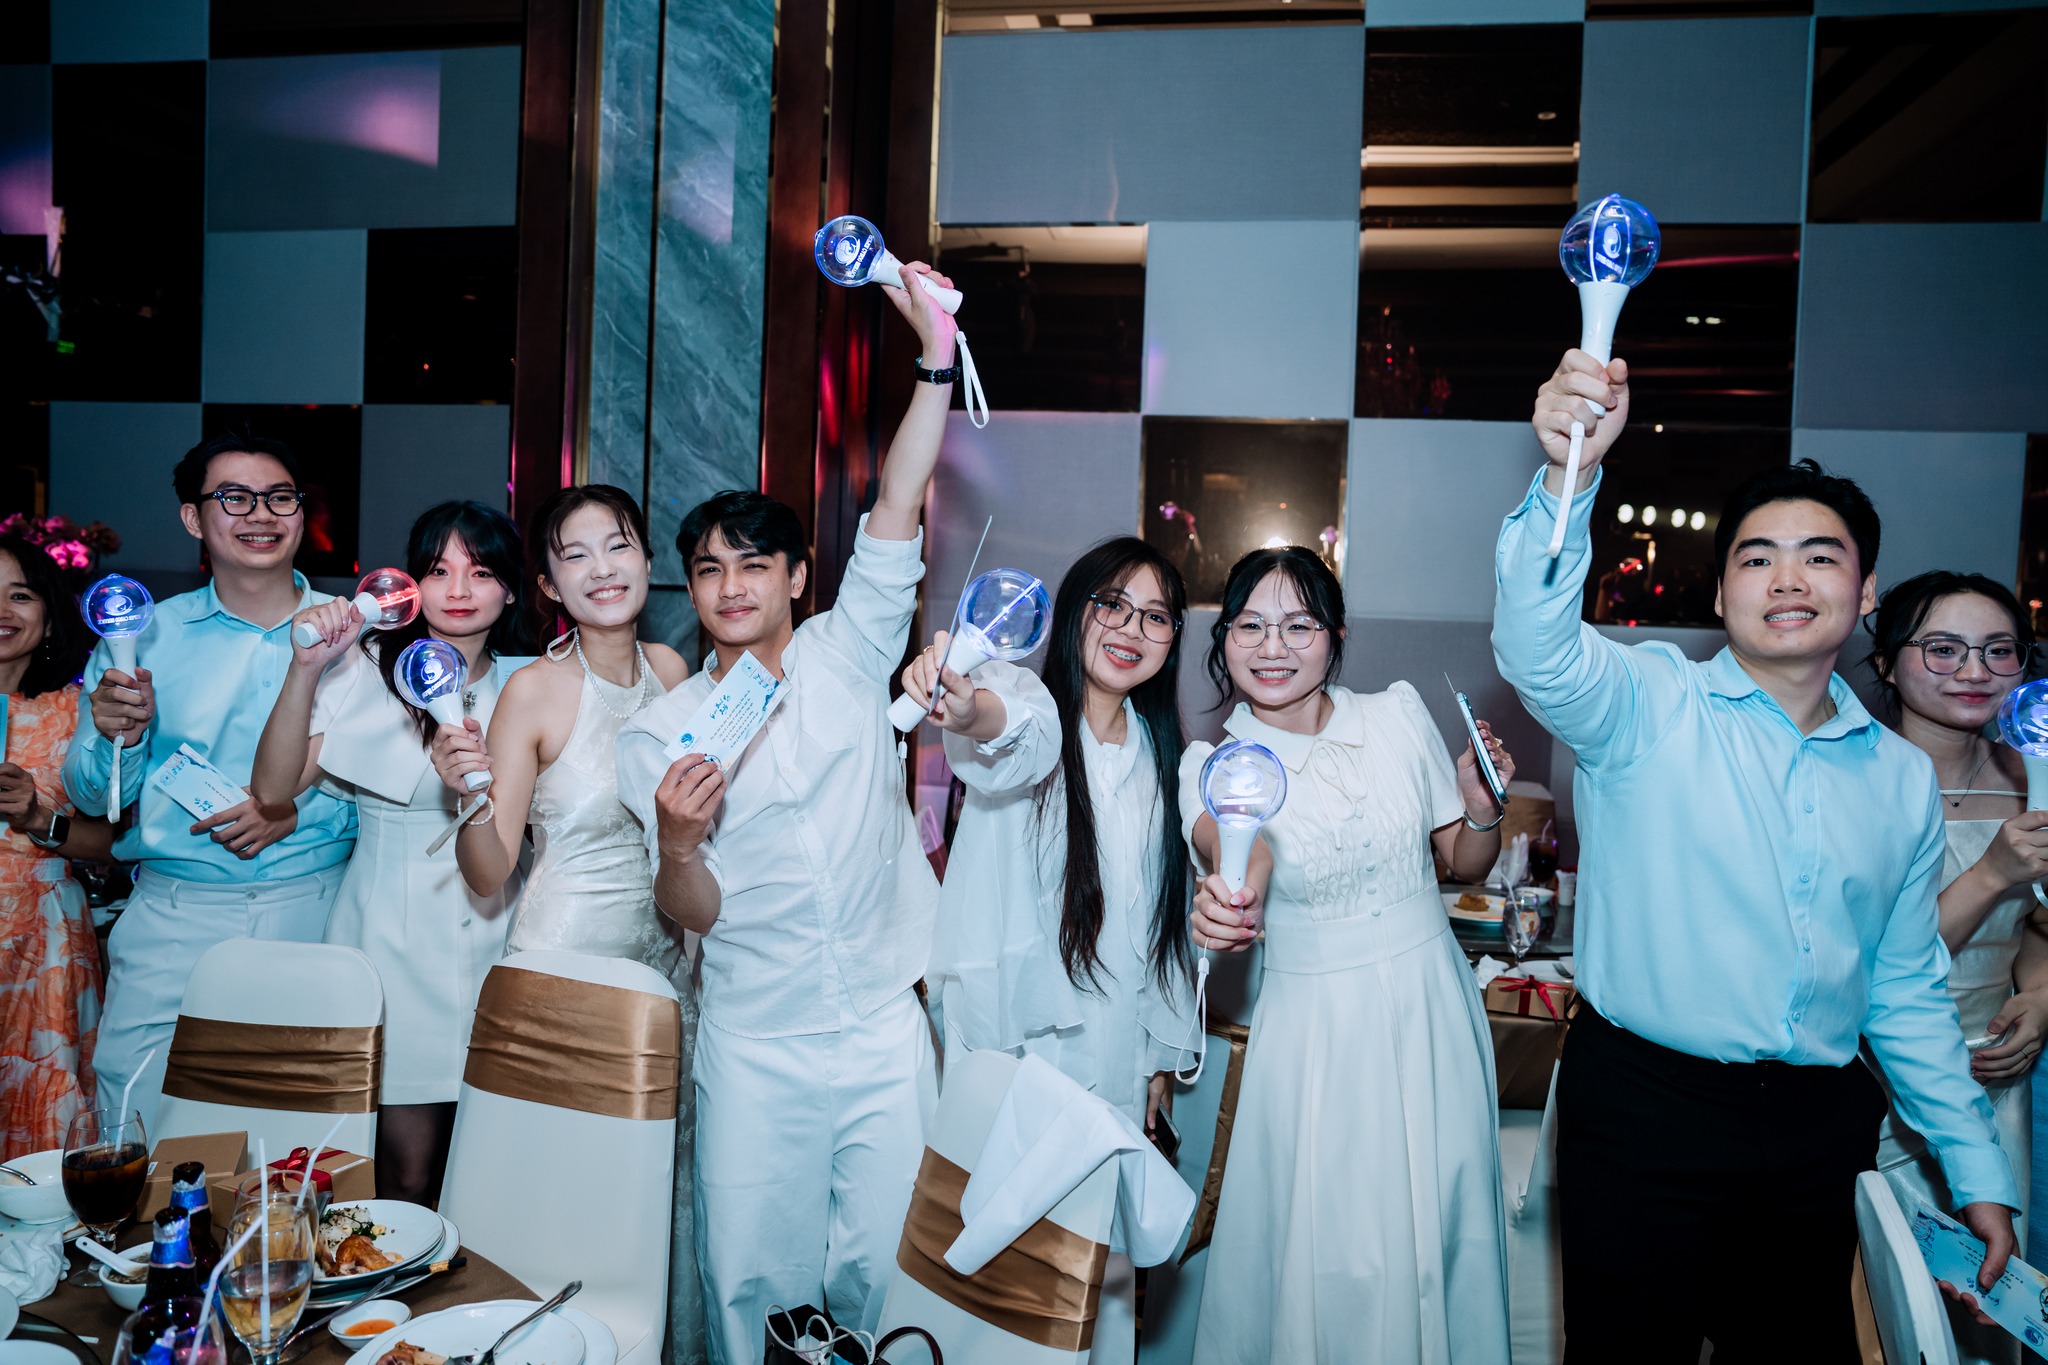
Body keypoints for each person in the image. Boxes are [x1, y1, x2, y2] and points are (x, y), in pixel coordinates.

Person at [1495, 350, 2019, 1363]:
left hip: (1819, 1124)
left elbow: (1903, 987)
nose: (1786, 579)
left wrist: (1976, 1169)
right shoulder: (1647, 704)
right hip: (1644, 1108)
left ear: (1865, 589)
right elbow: (1536, 647)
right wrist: (1568, 473)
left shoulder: (1897, 777)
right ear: (1720, 588)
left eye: (1818, 557)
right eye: (1755, 557)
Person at [615, 260, 956, 1365]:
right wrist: (677, 842)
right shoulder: (661, 735)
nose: (730, 587)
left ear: (798, 577)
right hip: (757, 1037)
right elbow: (690, 910)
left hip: (881, 1019)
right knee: (754, 1282)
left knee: (891, 1269)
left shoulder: (847, 652)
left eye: (752, 565)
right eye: (708, 570)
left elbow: (897, 500)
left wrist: (934, 361)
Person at [1183, 545, 1515, 1365]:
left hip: (1433, 1011)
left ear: (1336, 634)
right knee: (1338, 1255)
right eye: (1249, 626)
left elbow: (1462, 864)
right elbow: (1239, 850)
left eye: (1299, 625)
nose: (1272, 646)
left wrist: (1480, 809)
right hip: (1318, 1039)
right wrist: (1231, 898)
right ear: (1223, 640)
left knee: (1446, 1225)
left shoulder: (1397, 714)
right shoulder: (1211, 767)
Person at [904, 536, 1196, 1365]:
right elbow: (998, 731)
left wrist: (1155, 1060)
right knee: (1001, 1280)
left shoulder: (1160, 753)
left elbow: (1159, 923)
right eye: (1113, 604)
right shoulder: (1028, 702)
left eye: (1156, 616)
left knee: (1094, 1283)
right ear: (1073, 611)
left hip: (1114, 1057)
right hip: (1018, 1050)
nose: (1131, 628)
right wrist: (965, 706)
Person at [427, 483, 701, 1357]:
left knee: (643, 1203)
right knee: (555, 1194)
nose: (601, 568)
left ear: (647, 561)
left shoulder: (673, 672)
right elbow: (488, 871)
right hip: (562, 969)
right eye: (574, 555)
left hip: (662, 975)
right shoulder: (535, 690)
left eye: (617, 545)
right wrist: (468, 792)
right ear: (548, 582)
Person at [62, 432, 357, 1132]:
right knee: (138, 1119)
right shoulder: (144, 635)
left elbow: (385, 780)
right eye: (235, 498)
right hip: (177, 912)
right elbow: (92, 797)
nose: (261, 515)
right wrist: (118, 734)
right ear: (194, 518)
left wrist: (299, 811)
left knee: (303, 1137)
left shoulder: (353, 634)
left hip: (315, 907)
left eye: (279, 497)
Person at [251, 501, 535, 1203]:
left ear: (511, 589)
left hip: (506, 933)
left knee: (495, 1168)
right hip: (387, 941)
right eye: (438, 571)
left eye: (481, 572)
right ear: (410, 585)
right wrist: (306, 669)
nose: (459, 590)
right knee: (403, 1172)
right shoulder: (368, 668)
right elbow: (273, 788)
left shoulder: (530, 682)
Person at [1866, 571, 2047, 1365]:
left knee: (1989, 1314)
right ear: (1886, 661)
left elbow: (2038, 923)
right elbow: (1874, 967)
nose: (1974, 670)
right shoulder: (1853, 779)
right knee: (1880, 1311)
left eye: (1998, 650)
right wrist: (1992, 871)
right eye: (1943, 649)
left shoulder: (2032, 773)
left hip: (1998, 1080)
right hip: (1877, 1080)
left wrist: (2042, 994)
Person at [0, 532, 116, 1159]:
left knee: (44, 1114)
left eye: (20, 595)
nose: (2, 610)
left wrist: (36, 816)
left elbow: (114, 845)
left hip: (43, 942)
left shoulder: (79, 713)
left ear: (48, 617)